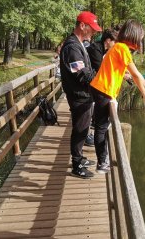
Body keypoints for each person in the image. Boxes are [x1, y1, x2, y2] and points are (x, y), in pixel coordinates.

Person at [89, 20, 145, 173]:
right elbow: (135, 75)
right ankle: (102, 163)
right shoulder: (122, 48)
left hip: (100, 89)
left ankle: (102, 160)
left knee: (102, 126)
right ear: (134, 36)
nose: (141, 41)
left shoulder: (119, 47)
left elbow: (138, 75)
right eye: (140, 38)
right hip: (103, 90)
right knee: (101, 127)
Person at [59, 11, 102, 179]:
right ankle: (77, 165)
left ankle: (80, 158)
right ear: (82, 26)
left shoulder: (78, 44)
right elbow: (82, 74)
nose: (94, 32)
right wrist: (101, 81)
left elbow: (87, 70)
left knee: (83, 130)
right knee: (80, 130)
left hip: (84, 95)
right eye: (91, 28)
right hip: (79, 97)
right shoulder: (72, 47)